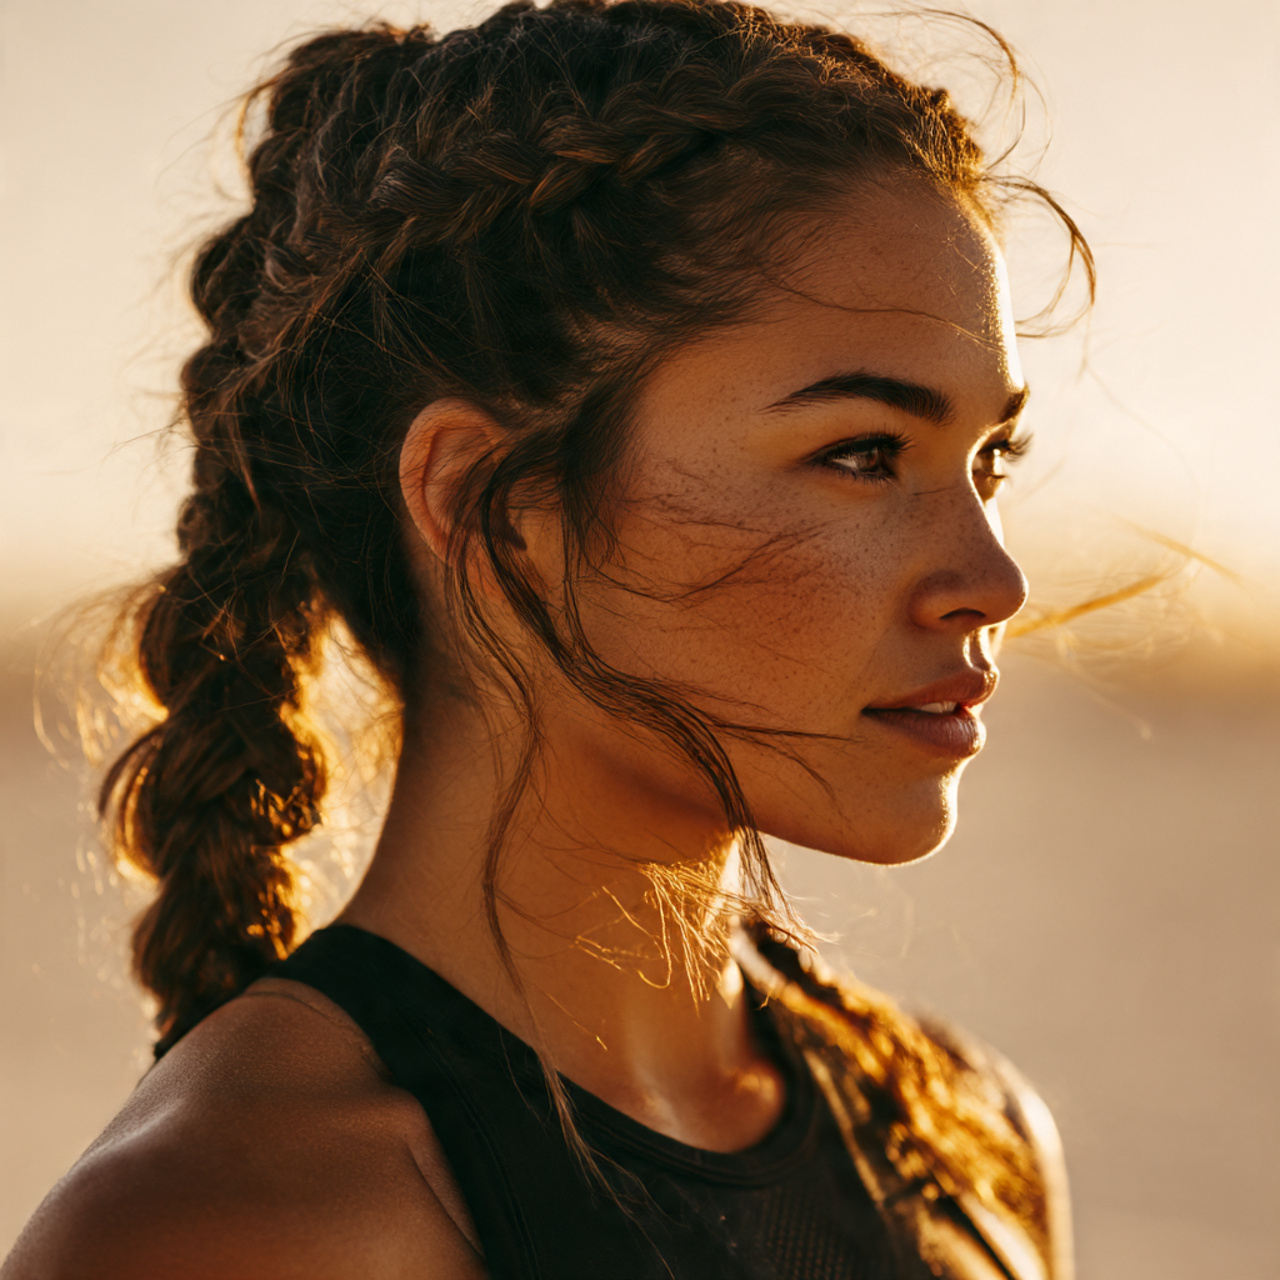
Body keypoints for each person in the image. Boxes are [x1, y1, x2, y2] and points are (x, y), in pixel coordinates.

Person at [3, 1, 1090, 1275]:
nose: (991, 578)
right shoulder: (243, 1225)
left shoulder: (961, 1142)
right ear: (489, 501)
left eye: (987, 459)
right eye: (861, 453)